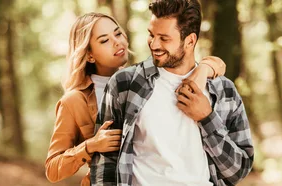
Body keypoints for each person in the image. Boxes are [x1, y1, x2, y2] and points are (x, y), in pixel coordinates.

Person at [44, 12, 226, 186]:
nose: (117, 43)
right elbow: (52, 169)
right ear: (89, 54)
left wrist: (205, 68)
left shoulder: (143, 79)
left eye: (117, 34)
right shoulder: (73, 102)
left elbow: (204, 64)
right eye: (105, 40)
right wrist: (90, 146)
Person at [89, 1, 254, 185]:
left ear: (190, 40)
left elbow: (238, 170)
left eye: (164, 38)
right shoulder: (125, 84)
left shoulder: (224, 91)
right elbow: (105, 161)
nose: (154, 44)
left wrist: (207, 119)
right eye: (151, 35)